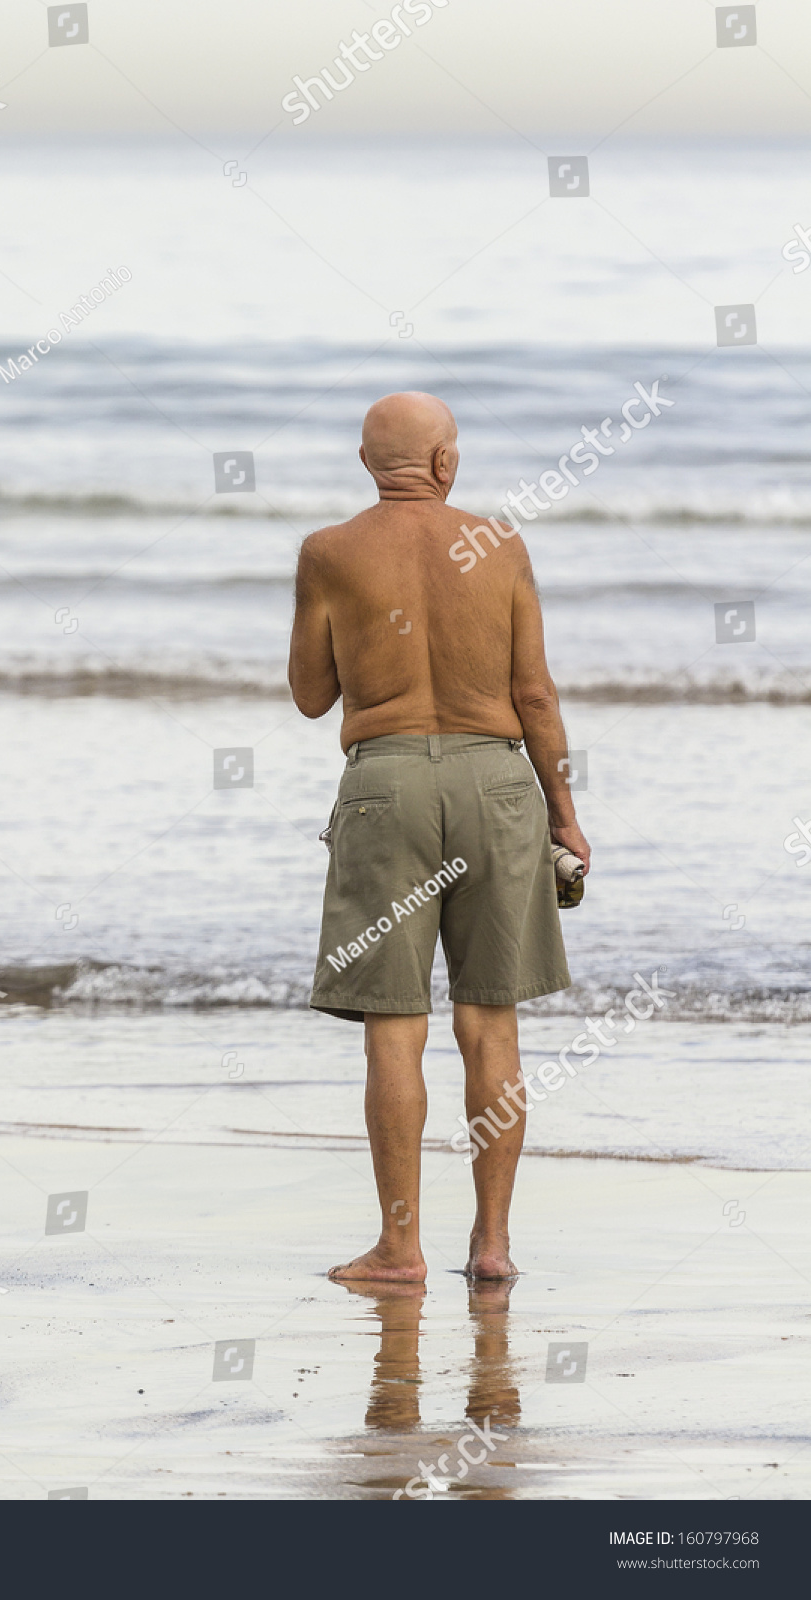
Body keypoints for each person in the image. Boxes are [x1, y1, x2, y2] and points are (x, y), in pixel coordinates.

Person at [288, 391, 589, 1283]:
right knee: (489, 1022)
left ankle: (399, 1248)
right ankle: (491, 1246)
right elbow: (534, 695)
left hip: (386, 789)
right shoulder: (498, 544)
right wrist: (564, 816)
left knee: (393, 1027)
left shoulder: (329, 552)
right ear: (446, 463)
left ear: (365, 462)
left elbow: (310, 695)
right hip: (498, 784)